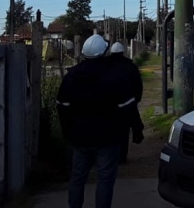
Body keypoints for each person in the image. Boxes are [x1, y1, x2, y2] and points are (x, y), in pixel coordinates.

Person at [56, 34, 136, 208]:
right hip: (108, 138)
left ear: (84, 53)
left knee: (77, 178)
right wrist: (130, 130)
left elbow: (62, 105)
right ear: (104, 52)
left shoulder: (72, 76)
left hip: (79, 138)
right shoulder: (114, 75)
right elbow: (127, 105)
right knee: (105, 179)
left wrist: (67, 131)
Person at [109, 41, 145, 163]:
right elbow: (138, 85)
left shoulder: (106, 66)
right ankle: (122, 157)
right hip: (128, 104)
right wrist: (136, 100)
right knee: (124, 131)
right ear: (122, 52)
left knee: (111, 130)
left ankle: (111, 156)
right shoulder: (131, 67)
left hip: (110, 105)